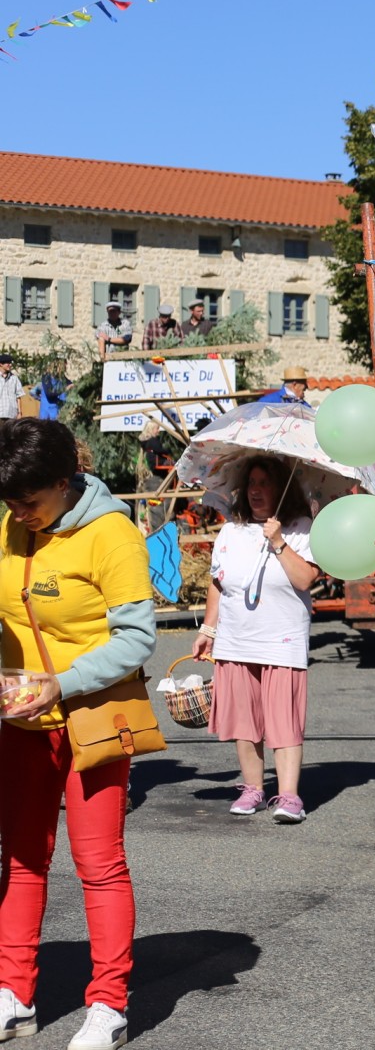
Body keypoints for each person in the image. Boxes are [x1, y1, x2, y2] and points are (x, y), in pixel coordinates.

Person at [0, 418, 156, 1050]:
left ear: (65, 483)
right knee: (20, 857)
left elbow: (138, 638)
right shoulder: (9, 522)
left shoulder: (113, 534)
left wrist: (62, 683)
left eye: (28, 502)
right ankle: (14, 994)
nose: (18, 514)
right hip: (21, 718)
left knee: (98, 863)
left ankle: (109, 1004)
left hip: (94, 716)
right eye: (9, 502)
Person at [191, 457, 319, 823]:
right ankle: (253, 789)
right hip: (236, 640)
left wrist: (278, 542)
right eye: (251, 483)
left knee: (284, 721)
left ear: (281, 489)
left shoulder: (301, 529)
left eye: (264, 483)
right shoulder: (231, 532)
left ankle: (289, 797)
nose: (256, 490)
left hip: (282, 641)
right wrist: (208, 630)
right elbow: (218, 584)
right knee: (245, 722)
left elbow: (306, 579)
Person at [0, 357, 23, 421]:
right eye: (8, 363)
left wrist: (19, 413)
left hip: (12, 414)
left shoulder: (14, 378)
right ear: (1, 364)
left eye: (10, 363)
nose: (10, 365)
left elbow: (18, 397)